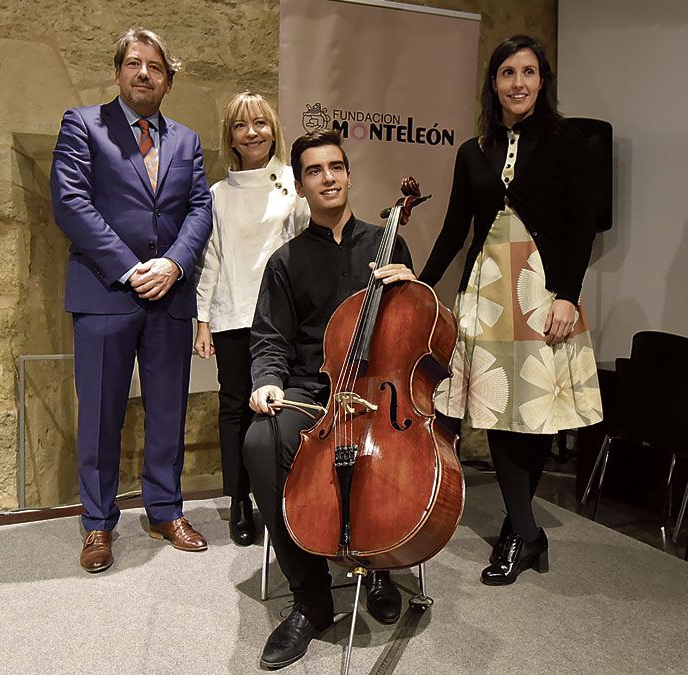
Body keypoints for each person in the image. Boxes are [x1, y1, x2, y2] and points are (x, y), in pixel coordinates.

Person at [419, 35, 604, 586]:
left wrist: (568, 294)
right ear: (493, 83)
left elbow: (581, 226)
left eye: (528, 72)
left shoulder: (569, 144)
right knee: (498, 409)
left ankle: (521, 529)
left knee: (538, 411)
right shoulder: (471, 150)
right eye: (507, 73)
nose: (518, 83)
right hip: (486, 292)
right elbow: (456, 230)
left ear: (542, 81)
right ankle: (524, 529)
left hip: (544, 290)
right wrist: (421, 284)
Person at [243, 130, 416, 669]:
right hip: (314, 386)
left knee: (382, 453)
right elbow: (271, 337)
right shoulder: (286, 261)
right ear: (301, 185)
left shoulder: (385, 243)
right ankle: (312, 597)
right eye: (315, 171)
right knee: (260, 442)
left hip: (378, 387)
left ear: (349, 174)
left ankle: (383, 562)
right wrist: (268, 380)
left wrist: (412, 286)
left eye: (336, 167)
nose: (328, 178)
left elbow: (412, 330)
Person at [50, 27, 213, 573]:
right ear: (119, 71)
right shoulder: (82, 125)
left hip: (170, 293)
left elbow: (198, 210)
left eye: (156, 67)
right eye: (134, 63)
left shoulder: (187, 141)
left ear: (169, 80)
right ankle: (97, 524)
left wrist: (172, 264)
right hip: (104, 292)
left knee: (168, 410)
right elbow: (70, 202)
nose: (144, 73)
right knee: (100, 415)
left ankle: (165, 510)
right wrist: (128, 267)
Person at [194, 92, 308, 546]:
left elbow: (306, 246)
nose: (252, 132)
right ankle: (239, 501)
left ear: (273, 129)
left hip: (286, 316)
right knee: (235, 408)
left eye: (260, 123)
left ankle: (286, 499)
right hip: (234, 312)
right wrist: (202, 320)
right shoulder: (217, 195)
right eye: (241, 126)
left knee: (286, 408)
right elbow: (211, 259)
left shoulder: (294, 182)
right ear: (231, 138)